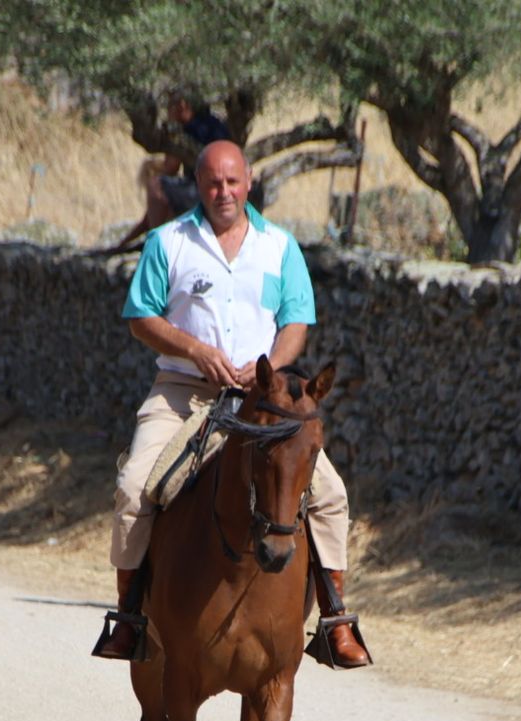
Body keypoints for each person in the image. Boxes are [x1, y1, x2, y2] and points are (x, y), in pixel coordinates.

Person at [94, 139, 371, 668]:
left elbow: (296, 321)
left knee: (330, 493)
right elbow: (141, 316)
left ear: (248, 183)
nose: (224, 192)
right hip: (182, 393)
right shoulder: (168, 241)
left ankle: (335, 621)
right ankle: (130, 618)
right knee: (133, 488)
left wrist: (270, 366)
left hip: (263, 400)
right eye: (213, 183)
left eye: (233, 182)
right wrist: (196, 351)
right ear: (198, 186)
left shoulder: (280, 247)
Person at [113, 95, 233, 252]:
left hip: (202, 195)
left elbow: (171, 167)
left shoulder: (187, 131)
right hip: (223, 193)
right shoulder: (216, 125)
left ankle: (157, 246)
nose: (169, 112)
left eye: (170, 107)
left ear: (183, 106)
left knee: (157, 185)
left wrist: (151, 169)